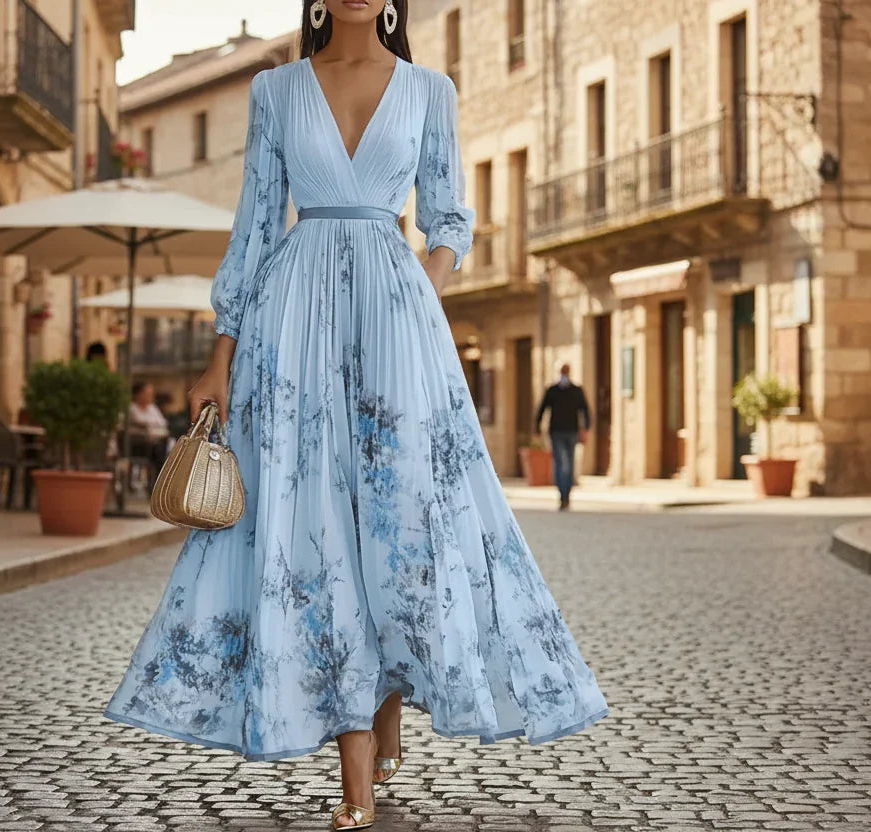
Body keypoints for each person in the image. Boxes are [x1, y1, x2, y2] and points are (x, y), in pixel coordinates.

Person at [103, 4, 608, 828]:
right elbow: (256, 226)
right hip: (291, 323)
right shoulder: (274, 90)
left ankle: (390, 692)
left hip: (397, 319)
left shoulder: (429, 90)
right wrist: (219, 357)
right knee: (315, 528)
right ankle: (356, 777)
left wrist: (419, 288)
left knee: (407, 516)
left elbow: (449, 216)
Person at [535, 363, 592, 510]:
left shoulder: (573, 390)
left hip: (569, 432)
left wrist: (586, 429)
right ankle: (563, 494)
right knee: (563, 463)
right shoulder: (554, 390)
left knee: (565, 464)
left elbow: (585, 410)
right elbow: (542, 409)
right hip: (558, 432)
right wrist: (586, 429)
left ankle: (565, 494)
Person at [127, 380, 170, 490]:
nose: (150, 397)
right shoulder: (132, 409)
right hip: (138, 445)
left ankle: (158, 480)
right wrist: (151, 426)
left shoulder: (152, 408)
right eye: (147, 394)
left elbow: (162, 423)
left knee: (162, 447)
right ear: (138, 394)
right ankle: (157, 482)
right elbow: (142, 423)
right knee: (159, 450)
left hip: (156, 442)